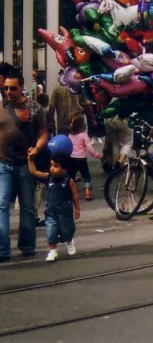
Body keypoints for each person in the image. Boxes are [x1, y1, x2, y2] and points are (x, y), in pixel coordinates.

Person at [0, 67, 49, 260]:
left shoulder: (34, 108)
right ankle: (3, 250)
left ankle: (27, 245)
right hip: (3, 164)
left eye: (13, 88)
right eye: (6, 88)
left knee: (28, 206)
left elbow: (43, 132)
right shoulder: (1, 106)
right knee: (2, 205)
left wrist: (37, 148)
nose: (9, 92)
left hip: (27, 165)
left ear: (21, 88)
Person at [27, 149, 79, 262]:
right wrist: (30, 160)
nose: (52, 168)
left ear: (64, 169)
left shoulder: (69, 181)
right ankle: (52, 251)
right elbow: (34, 172)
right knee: (51, 231)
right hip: (51, 212)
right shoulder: (49, 177)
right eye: (51, 165)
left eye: (56, 166)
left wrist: (77, 209)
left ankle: (69, 241)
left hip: (65, 211)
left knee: (66, 230)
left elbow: (75, 196)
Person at [67, 114, 101, 201]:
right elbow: (89, 148)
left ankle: (69, 192)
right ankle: (87, 193)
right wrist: (97, 155)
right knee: (86, 176)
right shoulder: (84, 135)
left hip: (71, 158)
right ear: (83, 125)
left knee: (71, 176)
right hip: (81, 159)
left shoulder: (70, 135)